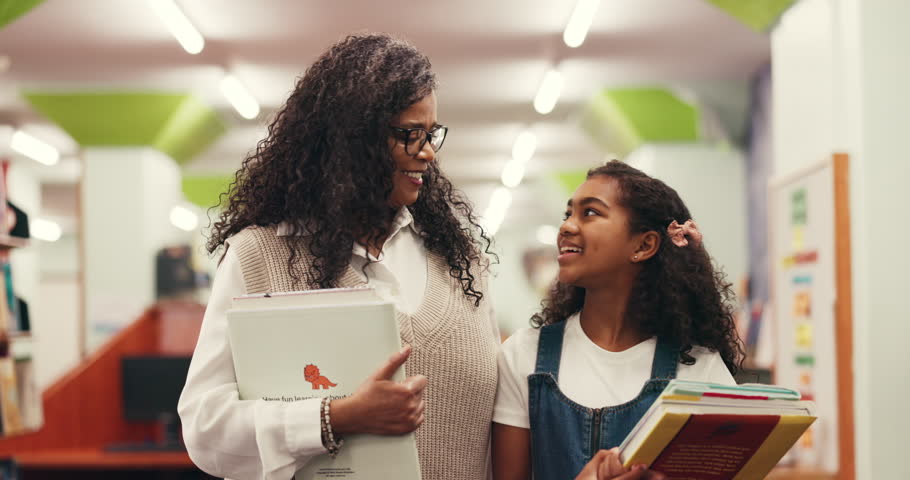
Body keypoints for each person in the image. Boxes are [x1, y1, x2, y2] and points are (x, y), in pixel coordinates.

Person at [178, 33, 499, 480]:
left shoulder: (459, 259)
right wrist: (333, 418)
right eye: (409, 134)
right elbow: (205, 429)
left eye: (431, 134)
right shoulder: (260, 256)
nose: (426, 153)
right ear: (350, 141)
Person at [491, 161, 744, 480]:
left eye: (590, 213)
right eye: (568, 214)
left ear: (643, 245)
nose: (567, 226)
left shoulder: (699, 369)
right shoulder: (523, 356)